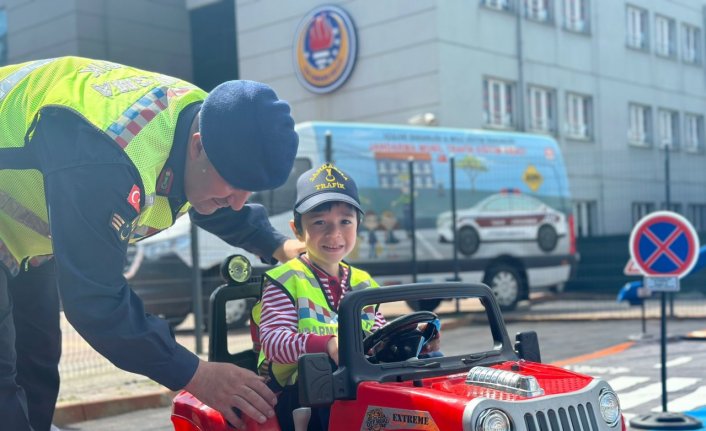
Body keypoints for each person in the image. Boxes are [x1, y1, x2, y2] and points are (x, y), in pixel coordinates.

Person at [0, 56, 305, 431]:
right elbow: (95, 303)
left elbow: (208, 195)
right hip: (40, 190)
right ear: (197, 146)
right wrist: (196, 374)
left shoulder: (206, 119)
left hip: (19, 235)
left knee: (37, 361)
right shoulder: (107, 160)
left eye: (250, 190)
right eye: (234, 183)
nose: (240, 200)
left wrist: (276, 245)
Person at [252, 163, 386, 431]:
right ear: (297, 229)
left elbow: (379, 331)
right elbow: (273, 342)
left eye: (345, 221)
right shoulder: (286, 279)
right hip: (297, 398)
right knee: (324, 383)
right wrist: (327, 344)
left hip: (355, 386)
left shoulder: (363, 282)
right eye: (320, 222)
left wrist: (413, 339)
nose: (334, 234)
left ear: (359, 224)